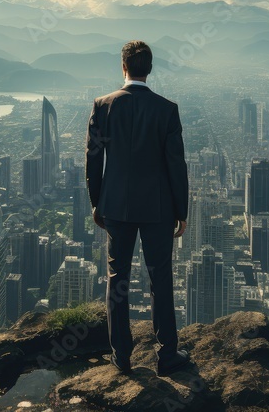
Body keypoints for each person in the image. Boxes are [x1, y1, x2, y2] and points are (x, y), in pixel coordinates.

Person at [85, 40, 191, 376]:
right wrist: (182, 210)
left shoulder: (103, 106)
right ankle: (168, 356)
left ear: (124, 67)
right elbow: (177, 164)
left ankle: (121, 357)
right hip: (158, 208)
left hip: (115, 206)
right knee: (161, 279)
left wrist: (97, 203)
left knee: (118, 279)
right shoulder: (166, 109)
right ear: (149, 69)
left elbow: (93, 158)